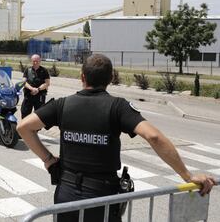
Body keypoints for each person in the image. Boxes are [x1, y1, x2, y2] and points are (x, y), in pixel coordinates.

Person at [17, 54, 217, 222]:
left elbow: (24, 127)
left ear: (82, 77)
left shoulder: (62, 105)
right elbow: (154, 136)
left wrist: (48, 159)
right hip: (101, 197)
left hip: (66, 193)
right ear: (111, 78)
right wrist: (188, 177)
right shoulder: (117, 107)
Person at [21, 54, 50, 119]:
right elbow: (24, 82)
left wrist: (38, 89)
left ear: (40, 61)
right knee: (24, 113)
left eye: (37, 61)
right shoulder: (27, 70)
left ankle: (35, 129)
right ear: (31, 61)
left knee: (39, 115)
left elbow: (47, 83)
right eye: (34, 61)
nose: (35, 62)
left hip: (39, 96)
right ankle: (25, 128)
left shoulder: (44, 71)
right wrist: (32, 89)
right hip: (28, 95)